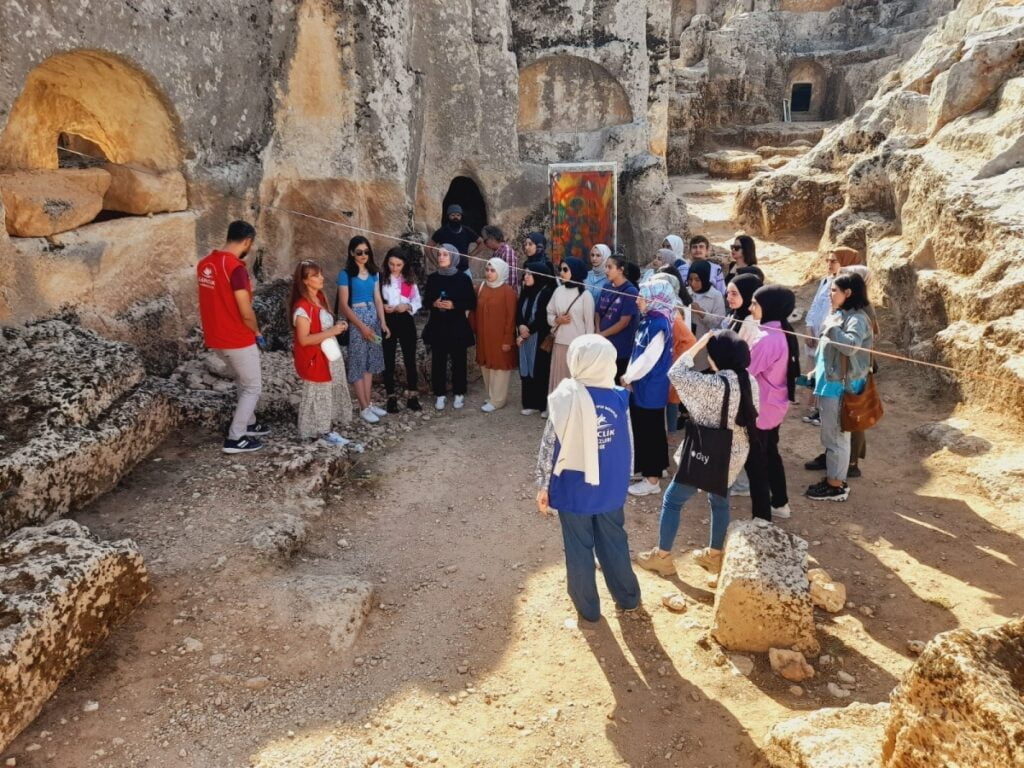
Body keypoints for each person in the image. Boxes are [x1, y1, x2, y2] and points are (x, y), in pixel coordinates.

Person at [535, 334, 642, 623]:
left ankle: (588, 608)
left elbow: (549, 446)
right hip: (610, 485)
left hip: (573, 487)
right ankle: (628, 598)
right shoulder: (619, 397)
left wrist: (543, 485)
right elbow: (628, 441)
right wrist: (625, 478)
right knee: (614, 540)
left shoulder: (564, 398)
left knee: (578, 547)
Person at [635, 331, 759, 577]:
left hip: (705, 452)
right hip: (734, 454)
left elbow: (675, 373)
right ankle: (714, 556)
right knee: (720, 502)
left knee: (672, 501)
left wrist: (699, 344)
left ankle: (662, 557)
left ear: (717, 356)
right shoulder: (749, 380)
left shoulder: (711, 384)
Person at [196, 220, 270, 454]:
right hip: (236, 337)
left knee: (242, 380)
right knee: (253, 387)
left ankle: (249, 423)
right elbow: (245, 311)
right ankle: (235, 437)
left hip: (215, 337)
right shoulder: (236, 269)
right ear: (247, 241)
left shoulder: (205, 264)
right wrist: (256, 331)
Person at [805, 263, 879, 478]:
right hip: (830, 383)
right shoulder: (840, 314)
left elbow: (850, 346)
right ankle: (834, 477)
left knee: (838, 438)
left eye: (834, 290)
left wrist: (831, 328)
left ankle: (836, 484)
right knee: (831, 436)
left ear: (847, 293)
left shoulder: (857, 318)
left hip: (841, 387)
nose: (830, 294)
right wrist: (817, 372)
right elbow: (829, 352)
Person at [746, 285, 799, 520]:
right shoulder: (780, 332)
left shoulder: (767, 339)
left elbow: (747, 370)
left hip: (762, 407)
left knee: (756, 463)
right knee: (770, 454)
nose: (751, 308)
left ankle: (761, 518)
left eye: (755, 304)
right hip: (774, 404)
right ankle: (780, 501)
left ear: (769, 307)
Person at [289, 260, 354, 447]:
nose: (321, 278)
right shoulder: (302, 309)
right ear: (305, 281)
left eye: (320, 274)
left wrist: (337, 327)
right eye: (315, 276)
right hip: (316, 357)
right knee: (319, 392)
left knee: (328, 391)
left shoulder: (319, 299)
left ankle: (326, 427)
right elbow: (304, 340)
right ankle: (319, 431)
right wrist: (332, 331)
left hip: (328, 353)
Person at [622, 279, 676, 497]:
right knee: (647, 429)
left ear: (655, 299)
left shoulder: (659, 325)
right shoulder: (648, 320)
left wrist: (628, 376)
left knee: (650, 431)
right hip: (641, 383)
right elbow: (637, 352)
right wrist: (630, 376)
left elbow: (648, 359)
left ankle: (652, 479)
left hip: (651, 386)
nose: (637, 300)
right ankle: (653, 469)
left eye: (642, 296)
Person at [803, 246, 861, 425]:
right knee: (816, 371)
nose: (829, 264)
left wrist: (828, 332)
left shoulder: (850, 291)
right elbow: (815, 306)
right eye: (827, 260)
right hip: (818, 333)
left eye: (834, 261)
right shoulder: (825, 281)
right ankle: (816, 409)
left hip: (832, 337)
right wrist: (809, 327)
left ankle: (826, 413)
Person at [337, 236, 390, 424]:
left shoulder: (374, 273)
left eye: (366, 252)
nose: (363, 255)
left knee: (370, 362)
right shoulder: (345, 274)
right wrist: (361, 327)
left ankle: (368, 403)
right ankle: (363, 406)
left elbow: (378, 299)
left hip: (373, 317)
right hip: (357, 319)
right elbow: (344, 305)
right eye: (359, 252)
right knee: (358, 362)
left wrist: (382, 322)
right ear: (352, 252)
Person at [422, 244, 476, 410]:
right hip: (438, 325)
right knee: (438, 360)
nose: (441, 257)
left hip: (457, 326)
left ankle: (459, 392)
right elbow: (426, 301)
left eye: (445, 254)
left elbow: (471, 302)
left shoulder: (463, 279)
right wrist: (434, 303)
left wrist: (454, 305)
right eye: (439, 254)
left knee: (459, 360)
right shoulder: (433, 278)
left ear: (453, 256)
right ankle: (440, 393)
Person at [654, 269, 696, 446]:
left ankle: (670, 433)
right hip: (668, 358)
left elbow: (688, 339)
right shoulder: (662, 306)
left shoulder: (672, 309)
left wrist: (675, 360)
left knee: (671, 397)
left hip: (673, 359)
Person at [473, 257, 518, 412]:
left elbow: (511, 318)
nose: (489, 273)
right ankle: (491, 396)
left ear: (501, 272)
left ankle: (498, 400)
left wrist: (508, 339)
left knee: (499, 368)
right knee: (486, 365)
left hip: (500, 337)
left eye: (493, 270)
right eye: (487, 270)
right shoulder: (482, 287)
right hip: (484, 336)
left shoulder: (508, 292)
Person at [381, 248, 422, 414]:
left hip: (405, 319)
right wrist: (383, 307)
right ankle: (391, 396)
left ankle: (413, 395)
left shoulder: (409, 280)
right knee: (388, 359)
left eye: (398, 265)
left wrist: (407, 306)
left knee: (409, 358)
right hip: (388, 320)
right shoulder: (381, 279)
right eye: (391, 264)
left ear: (404, 265)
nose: (394, 268)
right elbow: (376, 298)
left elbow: (417, 300)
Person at [547, 257, 596, 392]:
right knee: (560, 381)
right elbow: (549, 313)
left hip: (578, 348)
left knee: (575, 382)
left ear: (575, 271)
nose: (561, 273)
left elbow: (590, 326)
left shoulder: (586, 295)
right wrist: (557, 320)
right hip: (559, 343)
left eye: (565, 269)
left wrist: (587, 350)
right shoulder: (558, 291)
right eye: (560, 269)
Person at [516, 260, 556, 415]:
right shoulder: (526, 291)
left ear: (539, 276)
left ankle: (542, 405)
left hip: (539, 337)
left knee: (540, 370)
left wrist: (528, 331)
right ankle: (529, 403)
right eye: (525, 273)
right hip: (525, 336)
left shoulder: (547, 293)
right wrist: (521, 326)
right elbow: (519, 311)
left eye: (529, 274)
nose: (525, 277)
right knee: (526, 367)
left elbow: (543, 318)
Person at [595, 255, 640, 382]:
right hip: (603, 345)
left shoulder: (630, 291)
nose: (606, 270)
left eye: (610, 267)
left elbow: (623, 322)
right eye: (605, 267)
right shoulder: (606, 287)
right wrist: (598, 330)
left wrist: (602, 334)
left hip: (620, 349)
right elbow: (597, 312)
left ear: (620, 270)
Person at [687, 259, 726, 370]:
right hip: (686, 344)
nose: (693, 283)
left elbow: (719, 324)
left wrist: (702, 313)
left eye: (697, 280)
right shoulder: (686, 293)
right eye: (690, 279)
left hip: (704, 348)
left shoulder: (716, 296)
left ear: (705, 278)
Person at [427, 204, 483, 274]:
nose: (455, 217)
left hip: (464, 270)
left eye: (458, 215)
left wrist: (471, 255)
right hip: (447, 271)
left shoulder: (467, 231)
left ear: (461, 217)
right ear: (448, 216)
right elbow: (428, 248)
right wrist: (436, 263)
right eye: (452, 215)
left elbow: (482, 243)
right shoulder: (442, 232)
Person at [721, 272, 763, 347]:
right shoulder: (736, 311)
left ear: (747, 294)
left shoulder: (751, 322)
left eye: (734, 294)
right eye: (728, 293)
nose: (728, 298)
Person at [482, 225, 520, 294]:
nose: (485, 244)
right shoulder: (496, 253)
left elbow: (510, 281)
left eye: (485, 241)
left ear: (492, 239)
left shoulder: (507, 252)